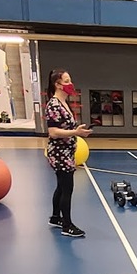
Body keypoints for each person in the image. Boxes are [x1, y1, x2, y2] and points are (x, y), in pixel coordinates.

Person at [45, 67, 91, 238]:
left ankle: (56, 217)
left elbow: (67, 127)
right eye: (66, 81)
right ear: (57, 85)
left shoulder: (65, 103)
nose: (70, 84)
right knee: (67, 188)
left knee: (61, 186)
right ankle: (67, 225)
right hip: (59, 153)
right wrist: (75, 133)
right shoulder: (54, 104)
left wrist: (78, 131)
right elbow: (53, 132)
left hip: (67, 151)